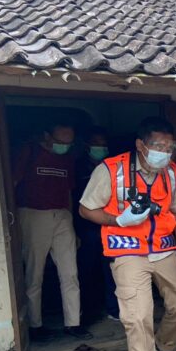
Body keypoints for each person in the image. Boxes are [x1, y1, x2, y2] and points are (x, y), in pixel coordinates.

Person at [79, 117, 176, 351]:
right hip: (127, 248)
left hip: (163, 247)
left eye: (170, 147)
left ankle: (165, 347)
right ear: (141, 145)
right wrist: (117, 220)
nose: (165, 152)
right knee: (138, 314)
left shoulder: (170, 172)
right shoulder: (110, 170)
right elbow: (85, 209)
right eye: (159, 146)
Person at [13, 122, 91, 342]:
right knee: (34, 273)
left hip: (62, 215)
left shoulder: (67, 158)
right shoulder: (29, 151)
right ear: (47, 136)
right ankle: (35, 325)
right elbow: (12, 182)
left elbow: (68, 191)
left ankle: (73, 323)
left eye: (69, 142)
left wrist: (71, 223)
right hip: (33, 214)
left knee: (70, 272)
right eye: (60, 142)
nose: (64, 146)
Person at [74, 126, 119, 324]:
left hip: (110, 226)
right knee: (87, 269)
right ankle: (88, 310)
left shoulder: (113, 167)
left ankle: (114, 308)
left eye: (104, 145)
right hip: (87, 228)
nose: (101, 148)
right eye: (97, 144)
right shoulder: (78, 167)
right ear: (86, 145)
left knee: (112, 268)